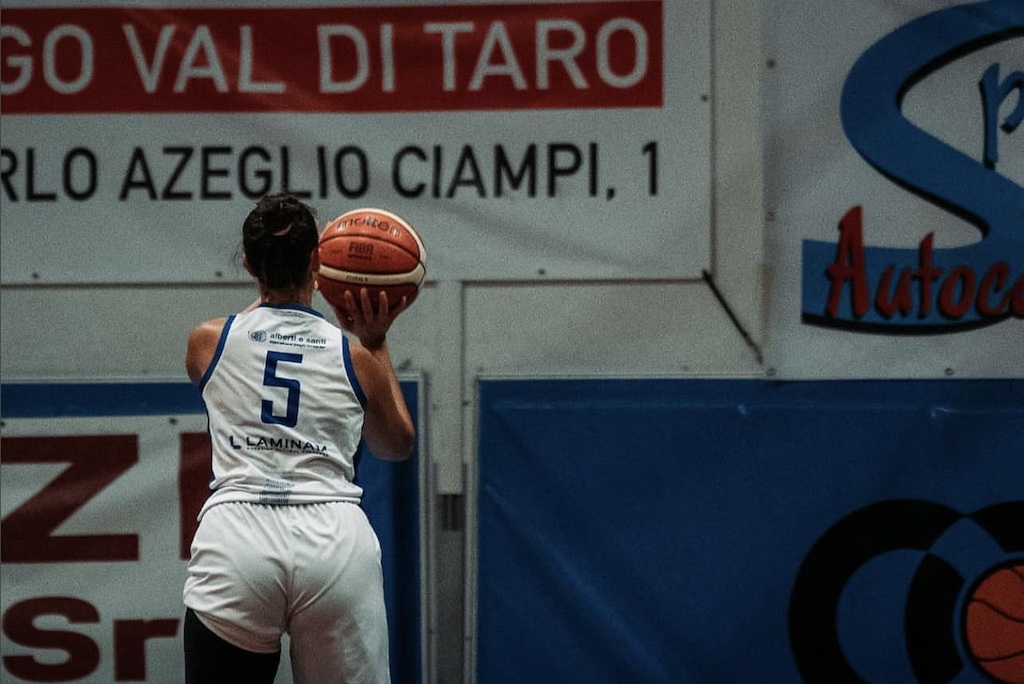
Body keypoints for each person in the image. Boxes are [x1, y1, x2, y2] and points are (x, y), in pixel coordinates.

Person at [181, 192, 415, 684]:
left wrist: (277, 276)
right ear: (318, 262)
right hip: (332, 540)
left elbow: (257, 319)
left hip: (238, 536)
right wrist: (377, 342)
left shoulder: (208, 342)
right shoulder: (355, 358)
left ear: (248, 264)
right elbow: (397, 445)